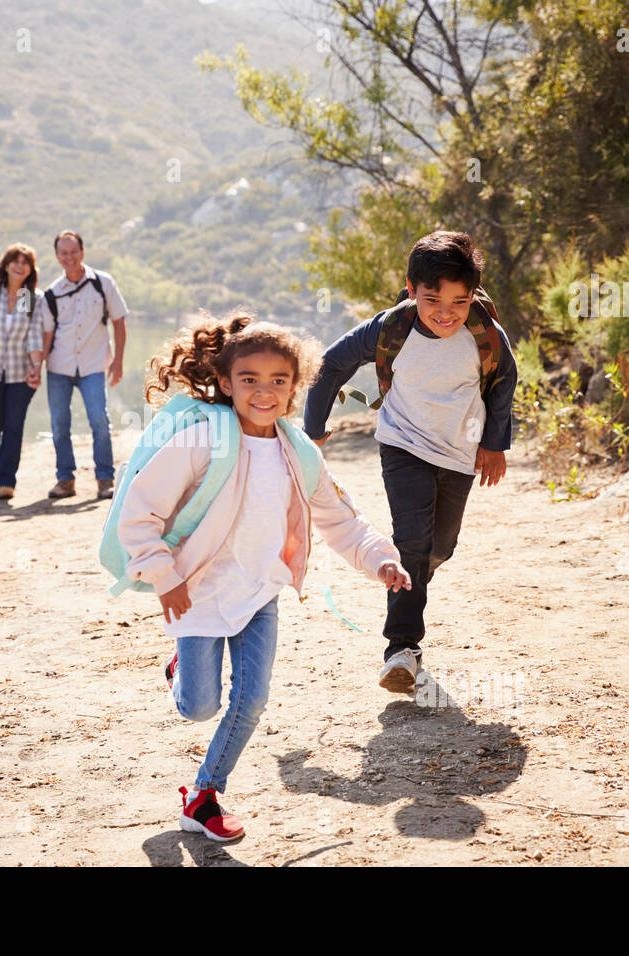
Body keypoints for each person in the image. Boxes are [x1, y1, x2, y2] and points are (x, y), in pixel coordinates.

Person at [115, 312, 411, 842]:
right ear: (226, 382)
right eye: (249, 379)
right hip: (198, 594)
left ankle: (204, 795)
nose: (264, 391)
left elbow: (341, 517)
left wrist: (380, 559)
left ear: (296, 388)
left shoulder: (298, 451)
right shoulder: (202, 440)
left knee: (250, 700)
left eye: (279, 380)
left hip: (260, 593)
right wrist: (164, 576)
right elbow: (139, 516)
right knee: (197, 706)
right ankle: (182, 664)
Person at [303, 230, 517, 695]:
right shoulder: (389, 327)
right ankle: (402, 649)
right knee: (413, 541)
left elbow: (505, 377)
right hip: (402, 444)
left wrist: (495, 444)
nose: (446, 312)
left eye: (459, 301)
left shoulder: (483, 332)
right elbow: (330, 366)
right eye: (432, 298)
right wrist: (313, 431)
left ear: (473, 295)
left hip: (459, 450)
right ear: (410, 288)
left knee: (440, 547)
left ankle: (411, 577)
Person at [42, 230, 129, 500]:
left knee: (99, 420)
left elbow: (119, 321)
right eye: (63, 253)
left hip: (93, 365)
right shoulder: (51, 293)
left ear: (82, 252)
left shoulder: (103, 283)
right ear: (57, 256)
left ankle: (105, 480)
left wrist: (118, 361)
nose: (69, 257)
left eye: (73, 251)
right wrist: (36, 367)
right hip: (59, 367)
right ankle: (65, 480)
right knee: (59, 425)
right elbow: (46, 334)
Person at [0, 243, 52, 503]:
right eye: (15, 261)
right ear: (5, 265)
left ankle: (6, 483)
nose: (19, 266)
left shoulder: (30, 298)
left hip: (20, 375)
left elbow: (34, 337)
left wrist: (36, 369)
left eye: (25, 262)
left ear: (31, 269)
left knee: (14, 428)